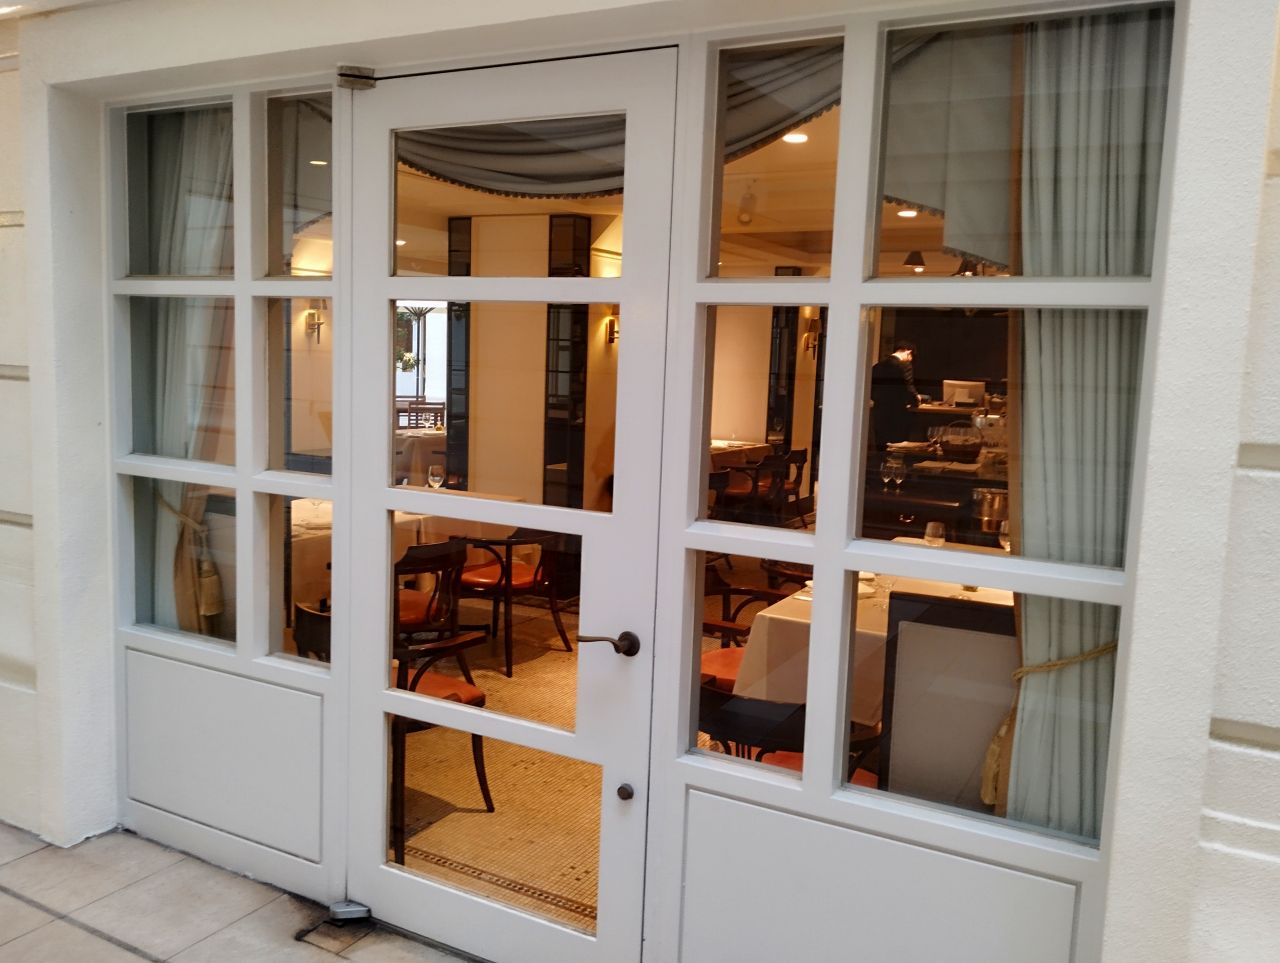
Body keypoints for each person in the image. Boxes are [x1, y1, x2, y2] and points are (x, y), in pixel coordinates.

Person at [870, 340, 920, 448]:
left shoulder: (877, 366)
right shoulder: (904, 365)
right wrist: (916, 400)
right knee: (898, 447)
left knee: (882, 446)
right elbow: (908, 387)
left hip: (879, 411)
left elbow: (870, 389)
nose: (911, 360)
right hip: (897, 413)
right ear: (908, 352)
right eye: (912, 356)